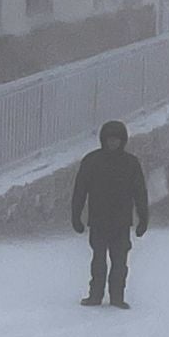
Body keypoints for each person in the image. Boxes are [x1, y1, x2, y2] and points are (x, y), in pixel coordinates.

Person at [70, 119, 149, 309]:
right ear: (103, 140)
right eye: (109, 139)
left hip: (121, 222)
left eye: (116, 140)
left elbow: (140, 193)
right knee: (98, 260)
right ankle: (95, 295)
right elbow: (80, 191)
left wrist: (143, 219)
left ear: (123, 141)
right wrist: (76, 216)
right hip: (98, 221)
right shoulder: (91, 161)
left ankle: (117, 297)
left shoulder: (130, 163)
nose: (113, 143)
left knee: (120, 261)